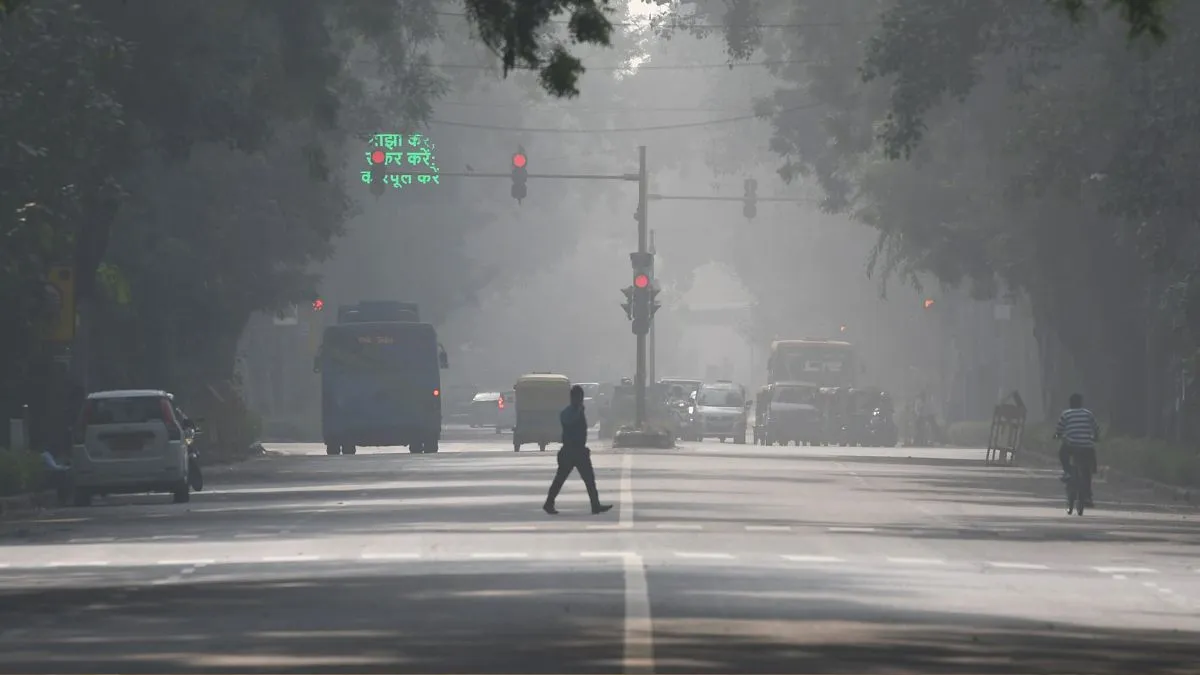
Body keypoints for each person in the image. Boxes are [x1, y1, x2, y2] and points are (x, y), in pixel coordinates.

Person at [543, 385, 612, 515]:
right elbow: (569, 421)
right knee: (561, 479)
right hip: (571, 451)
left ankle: (595, 504)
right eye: (578, 398)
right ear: (573, 398)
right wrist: (578, 411)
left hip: (578, 450)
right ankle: (549, 503)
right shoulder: (569, 412)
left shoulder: (575, 411)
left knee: (589, 479)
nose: (579, 400)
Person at [1054, 393, 1100, 504]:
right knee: (1087, 470)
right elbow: (1096, 429)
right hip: (1086, 446)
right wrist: (1096, 438)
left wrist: (1056, 436)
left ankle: (1067, 471)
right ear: (1081, 403)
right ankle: (1088, 496)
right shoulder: (1088, 414)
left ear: (1070, 403)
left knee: (1062, 453)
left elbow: (1059, 430)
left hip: (1071, 445)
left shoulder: (1066, 414)